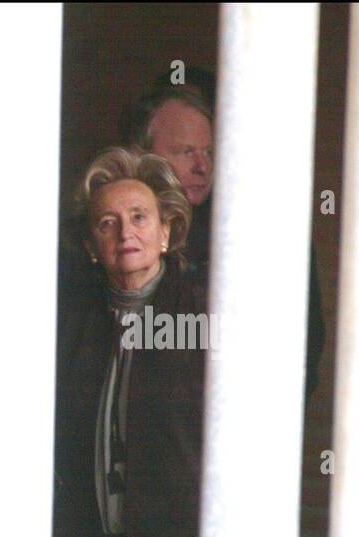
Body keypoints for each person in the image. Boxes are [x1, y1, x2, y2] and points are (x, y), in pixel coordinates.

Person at [51, 147, 206, 537]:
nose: (125, 233)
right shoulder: (75, 320)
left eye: (140, 217)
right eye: (107, 222)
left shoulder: (202, 318)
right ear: (92, 244)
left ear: (167, 231)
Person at [119, 78, 325, 393]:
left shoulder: (254, 231)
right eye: (186, 151)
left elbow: (302, 343)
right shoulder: (109, 233)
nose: (204, 166)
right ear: (142, 153)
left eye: (209, 152)